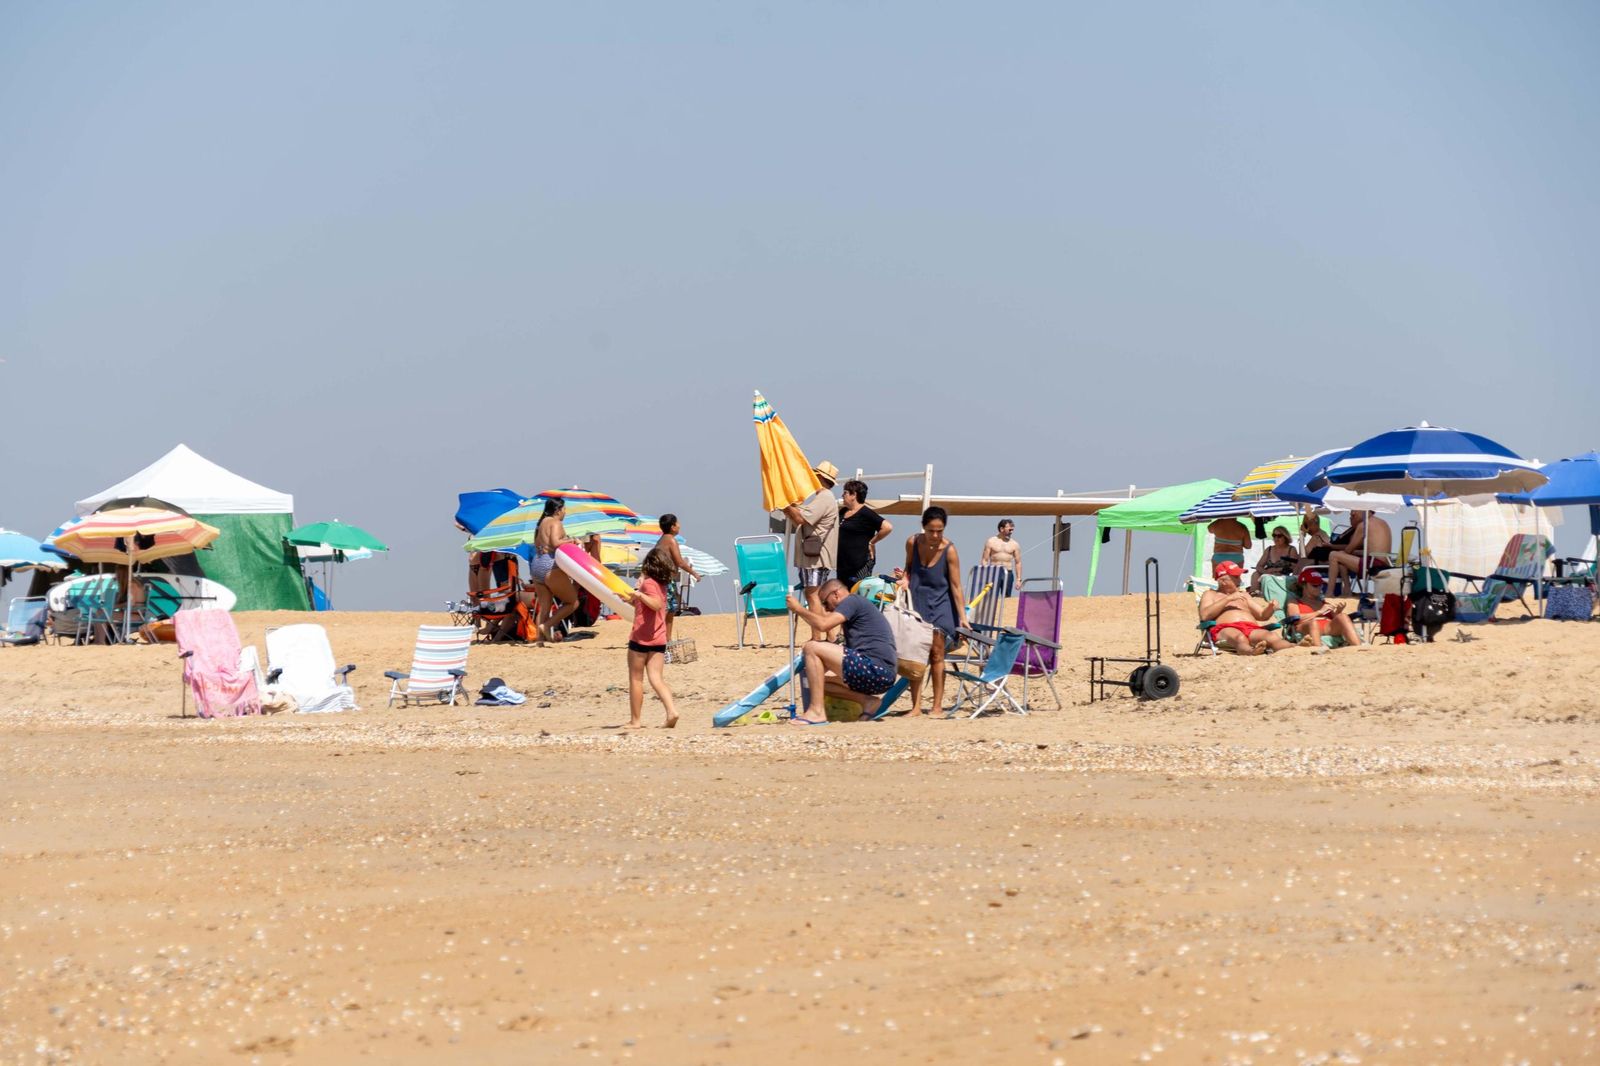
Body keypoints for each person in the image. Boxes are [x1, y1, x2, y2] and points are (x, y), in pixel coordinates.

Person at [785, 578, 899, 724]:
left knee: (811, 647)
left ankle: (817, 712)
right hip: (881, 675)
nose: (826, 609)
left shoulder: (852, 601)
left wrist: (798, 609)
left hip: (876, 669)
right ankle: (868, 701)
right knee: (817, 681)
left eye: (825, 603)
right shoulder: (856, 607)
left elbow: (823, 625)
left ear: (836, 594)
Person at [895, 506, 967, 716]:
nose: (935, 535)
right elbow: (909, 567)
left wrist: (963, 618)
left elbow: (956, 586)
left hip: (942, 605)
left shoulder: (949, 550)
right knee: (915, 654)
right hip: (917, 603)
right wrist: (904, 579)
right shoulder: (912, 542)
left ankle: (937, 706)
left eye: (940, 531)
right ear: (923, 527)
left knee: (936, 652)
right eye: (931, 531)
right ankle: (916, 706)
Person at [782, 461, 840, 641]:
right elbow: (801, 518)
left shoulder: (824, 497)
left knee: (812, 594)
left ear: (819, 477)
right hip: (816, 555)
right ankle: (829, 636)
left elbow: (801, 518)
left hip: (815, 557)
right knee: (817, 595)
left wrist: (784, 504)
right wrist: (788, 507)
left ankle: (817, 637)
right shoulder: (824, 498)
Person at [623, 549, 679, 729]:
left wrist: (639, 594)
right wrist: (630, 599)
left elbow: (655, 604)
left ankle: (635, 721)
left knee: (636, 679)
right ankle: (671, 711)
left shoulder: (648, 583)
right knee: (656, 678)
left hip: (641, 638)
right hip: (659, 638)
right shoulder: (662, 585)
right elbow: (646, 606)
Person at [1199, 561, 1296, 655]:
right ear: (1223, 581)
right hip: (1225, 629)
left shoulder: (1244, 595)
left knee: (1271, 636)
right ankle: (1251, 651)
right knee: (1240, 638)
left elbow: (1262, 615)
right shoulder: (1210, 594)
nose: (1240, 581)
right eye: (1236, 577)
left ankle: (1295, 648)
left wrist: (1270, 608)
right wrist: (1228, 599)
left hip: (1251, 628)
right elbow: (1205, 615)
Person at [528, 498, 581, 643]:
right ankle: (547, 626)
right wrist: (572, 540)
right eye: (564, 509)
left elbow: (539, 543)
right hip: (550, 564)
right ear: (558, 510)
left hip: (537, 563)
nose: (565, 512)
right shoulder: (555, 523)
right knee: (572, 603)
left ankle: (539, 640)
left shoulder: (541, 523)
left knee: (544, 607)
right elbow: (556, 542)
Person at [651, 513, 700, 643]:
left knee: (671, 610)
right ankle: (659, 639)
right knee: (666, 610)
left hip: (665, 580)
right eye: (677, 523)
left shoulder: (661, 540)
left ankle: (667, 640)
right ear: (672, 526)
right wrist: (694, 573)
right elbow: (680, 562)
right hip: (665, 580)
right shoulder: (671, 540)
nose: (679, 526)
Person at [835, 479, 893, 589]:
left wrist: (872, 542)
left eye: (845, 492)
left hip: (859, 563)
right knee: (842, 594)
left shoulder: (866, 513)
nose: (842, 495)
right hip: (843, 564)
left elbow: (887, 527)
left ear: (854, 495)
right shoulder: (842, 512)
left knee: (858, 593)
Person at [1290, 570, 1361, 649]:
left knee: (1343, 616)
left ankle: (1358, 647)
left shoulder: (1323, 602)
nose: (1319, 588)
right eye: (1315, 585)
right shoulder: (1295, 602)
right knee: (1313, 623)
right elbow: (1294, 619)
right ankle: (1318, 649)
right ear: (1303, 585)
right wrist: (1319, 612)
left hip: (1327, 627)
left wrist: (1338, 612)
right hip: (1307, 627)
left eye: (1321, 585)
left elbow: (1335, 619)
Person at [1328, 510, 1393, 594]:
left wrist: (1335, 548)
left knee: (1333, 555)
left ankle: (1329, 593)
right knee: (1341, 557)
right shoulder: (1382, 522)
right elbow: (1372, 551)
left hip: (1373, 565)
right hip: (1386, 564)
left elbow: (1348, 550)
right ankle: (1347, 591)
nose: (1353, 513)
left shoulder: (1364, 525)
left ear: (1364, 509)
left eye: (1355, 510)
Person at [1249, 526, 1300, 594]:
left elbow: (1295, 567)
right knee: (1255, 574)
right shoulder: (1269, 549)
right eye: (1274, 535)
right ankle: (1255, 594)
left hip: (1283, 574)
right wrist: (1266, 572)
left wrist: (1277, 569)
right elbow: (1259, 566)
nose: (1276, 538)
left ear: (1285, 537)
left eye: (1279, 536)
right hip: (1268, 574)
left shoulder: (1291, 549)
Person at [981, 519, 1023, 596]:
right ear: (1001, 529)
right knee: (992, 597)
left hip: (1008, 573)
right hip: (993, 573)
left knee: (1007, 597)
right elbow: (984, 560)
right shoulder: (991, 541)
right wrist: (985, 575)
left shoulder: (1014, 544)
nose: (1011, 532)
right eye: (1009, 530)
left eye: (1012, 530)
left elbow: (1018, 562)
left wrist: (1018, 579)